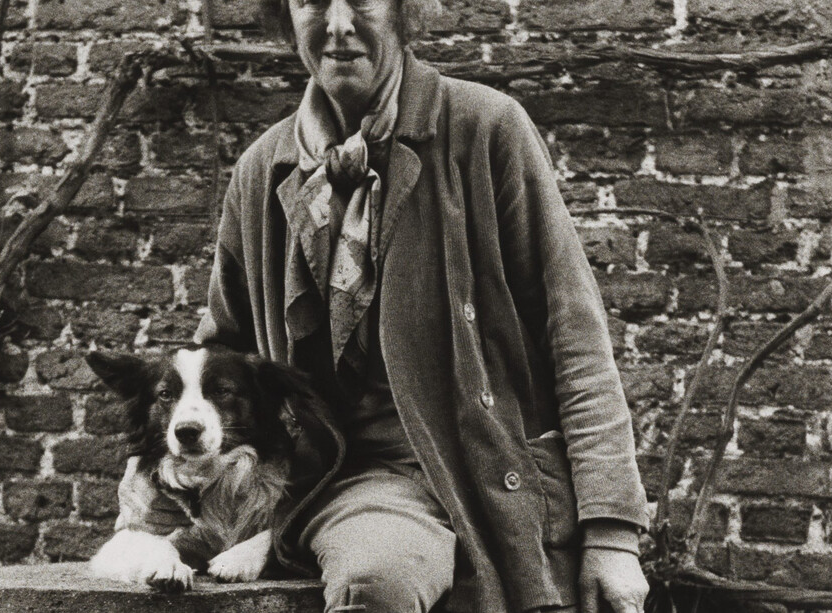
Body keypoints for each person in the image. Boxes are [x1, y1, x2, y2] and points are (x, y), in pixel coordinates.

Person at [184, 0, 652, 610]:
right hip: (365, 483)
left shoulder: (485, 128)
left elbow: (574, 333)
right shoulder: (261, 173)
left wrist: (613, 532)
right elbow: (218, 359)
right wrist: (165, 485)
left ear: (405, 11)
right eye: (311, 1)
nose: (339, 23)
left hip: (500, 470)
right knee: (379, 578)